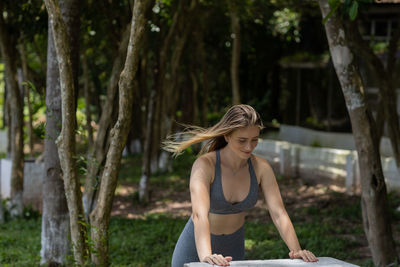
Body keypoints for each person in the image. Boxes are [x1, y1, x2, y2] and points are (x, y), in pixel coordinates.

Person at [164, 104, 318, 267]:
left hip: (233, 249)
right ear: (227, 136)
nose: (249, 147)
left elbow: (278, 213)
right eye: (242, 140)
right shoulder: (205, 165)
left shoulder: (261, 168)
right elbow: (199, 215)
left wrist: (297, 250)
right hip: (196, 248)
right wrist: (206, 257)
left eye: (254, 140)